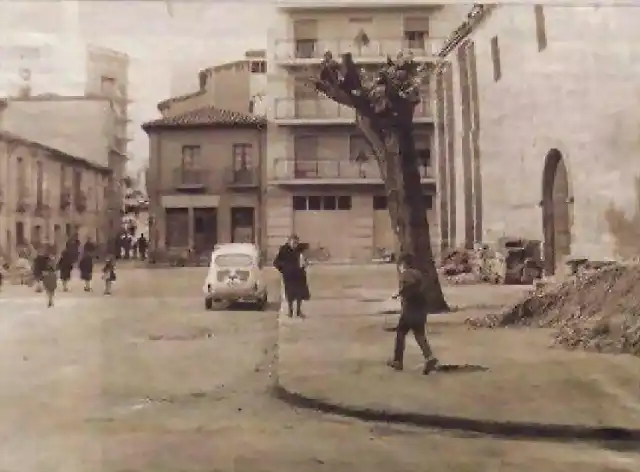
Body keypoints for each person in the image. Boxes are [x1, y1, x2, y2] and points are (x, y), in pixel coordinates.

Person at [387, 253, 439, 375]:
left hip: (411, 308)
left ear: (403, 264)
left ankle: (397, 360)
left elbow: (410, 285)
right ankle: (429, 358)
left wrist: (401, 293)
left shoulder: (407, 274)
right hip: (422, 307)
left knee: (401, 332)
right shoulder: (418, 273)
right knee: (419, 334)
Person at [273, 234, 310, 318]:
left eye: (296, 243)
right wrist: (284, 269)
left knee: (300, 294)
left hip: (299, 275)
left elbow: (305, 259)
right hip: (289, 276)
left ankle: (298, 311)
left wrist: (305, 264)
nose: (295, 244)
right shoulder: (284, 250)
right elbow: (276, 262)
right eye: (293, 242)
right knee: (290, 294)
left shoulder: (300, 250)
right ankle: (290, 311)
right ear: (289, 242)